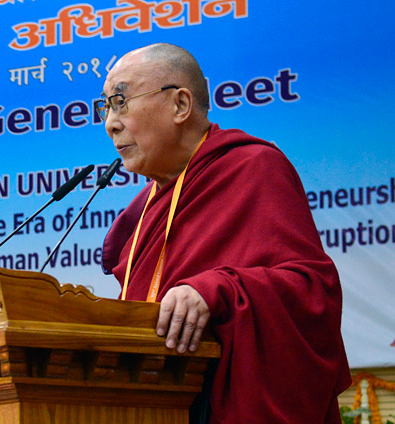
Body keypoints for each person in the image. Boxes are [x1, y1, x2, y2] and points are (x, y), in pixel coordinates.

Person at [98, 43, 351, 423]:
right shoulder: (147, 206)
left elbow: (312, 292)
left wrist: (216, 289)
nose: (110, 123)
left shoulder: (253, 168)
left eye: (121, 102)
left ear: (180, 105)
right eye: (105, 107)